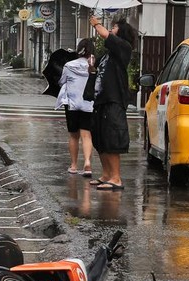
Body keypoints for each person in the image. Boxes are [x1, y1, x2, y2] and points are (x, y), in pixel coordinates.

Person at [87, 16, 136, 191]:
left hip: (114, 99)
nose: (111, 29)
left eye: (114, 27)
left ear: (121, 32)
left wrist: (96, 23)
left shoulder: (124, 48)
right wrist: (92, 67)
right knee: (100, 138)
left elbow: (105, 34)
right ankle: (106, 175)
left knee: (113, 138)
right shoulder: (109, 55)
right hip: (101, 99)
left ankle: (116, 178)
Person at [55, 39, 96, 177]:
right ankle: (87, 163)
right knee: (86, 135)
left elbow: (62, 82)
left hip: (72, 104)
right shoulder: (93, 66)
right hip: (88, 105)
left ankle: (73, 165)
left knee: (73, 136)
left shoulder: (69, 65)